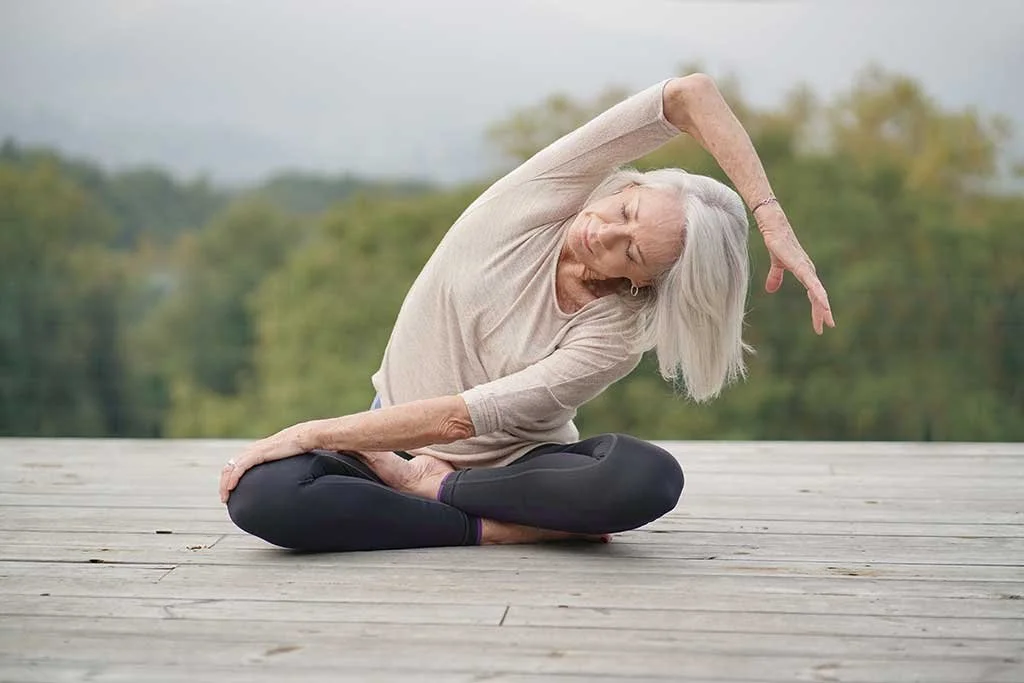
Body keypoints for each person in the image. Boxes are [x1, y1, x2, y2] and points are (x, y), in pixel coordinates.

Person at [220, 73, 834, 552]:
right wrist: (770, 217)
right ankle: (492, 532)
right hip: (394, 447)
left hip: (515, 473)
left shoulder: (619, 330)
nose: (605, 234)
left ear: (649, 281)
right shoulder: (541, 197)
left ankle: (444, 501)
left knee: (647, 478)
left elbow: (464, 420)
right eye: (624, 210)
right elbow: (689, 95)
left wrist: (336, 445)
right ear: (626, 187)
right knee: (263, 497)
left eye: (633, 250)